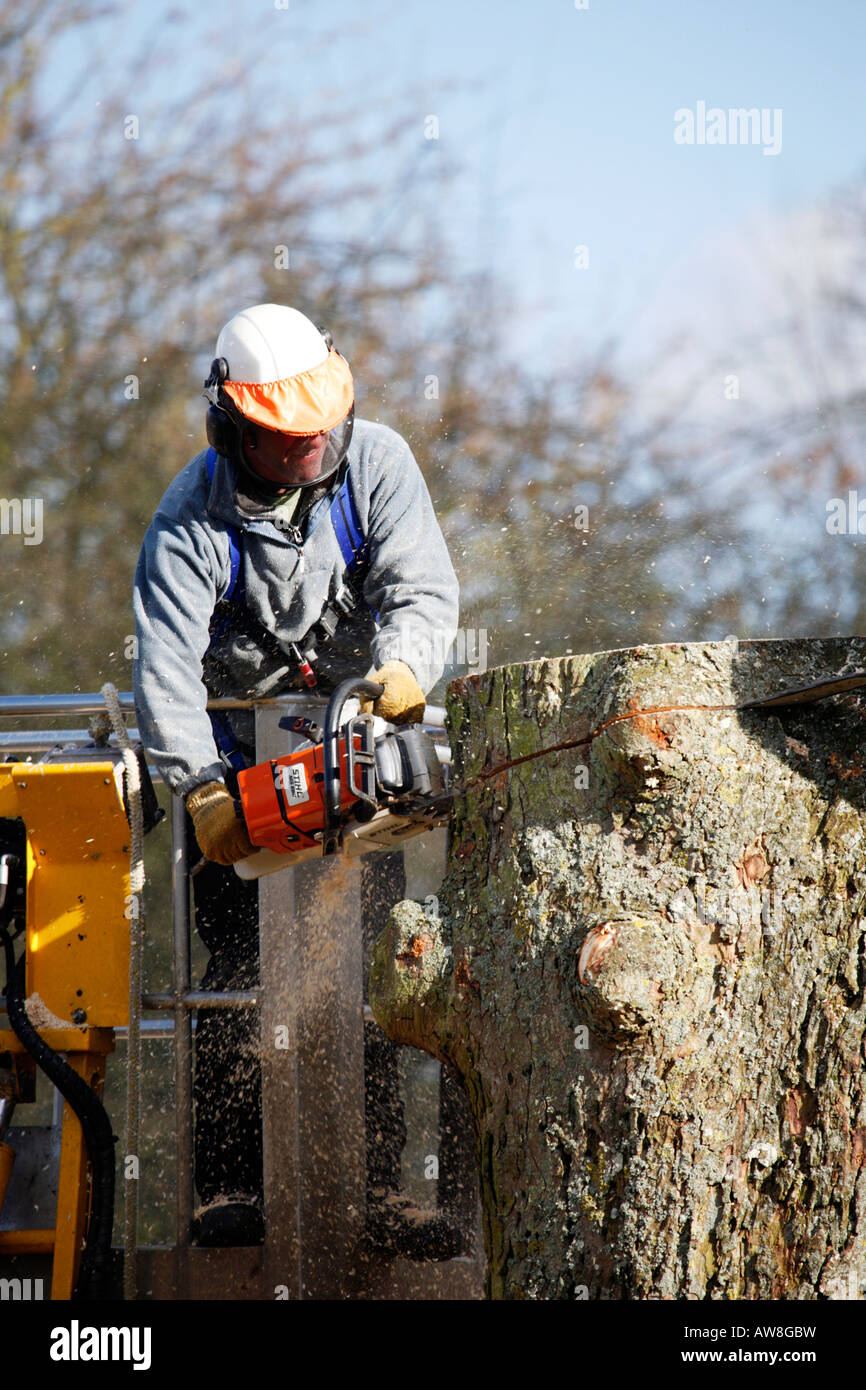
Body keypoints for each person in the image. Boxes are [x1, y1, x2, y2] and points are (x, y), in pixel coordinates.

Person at [133, 303, 460, 1252]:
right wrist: (199, 789)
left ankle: (379, 1193)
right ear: (233, 427)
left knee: (366, 970)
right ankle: (226, 1194)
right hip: (238, 769)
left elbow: (424, 589)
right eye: (287, 438)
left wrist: (402, 669)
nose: (312, 449)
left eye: (322, 430)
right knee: (236, 973)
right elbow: (165, 668)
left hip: (354, 756)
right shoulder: (187, 519)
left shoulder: (379, 464)